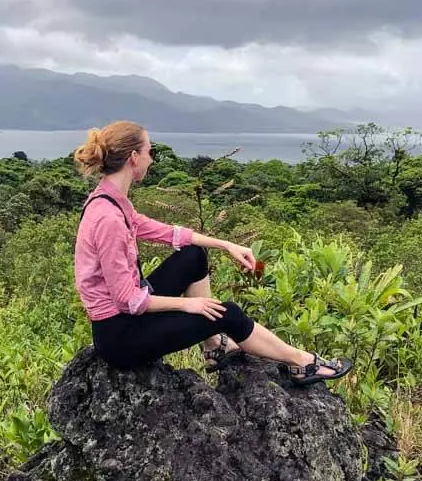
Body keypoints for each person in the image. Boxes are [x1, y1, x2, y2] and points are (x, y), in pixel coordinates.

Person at [73, 121, 352, 385]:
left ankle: (214, 346)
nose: (152, 159)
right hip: (121, 337)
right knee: (226, 313)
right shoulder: (108, 219)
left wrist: (226, 245)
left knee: (193, 254)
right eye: (149, 151)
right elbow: (128, 300)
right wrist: (187, 304)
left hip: (128, 318)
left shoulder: (111, 200)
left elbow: (168, 233)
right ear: (134, 157)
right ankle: (301, 362)